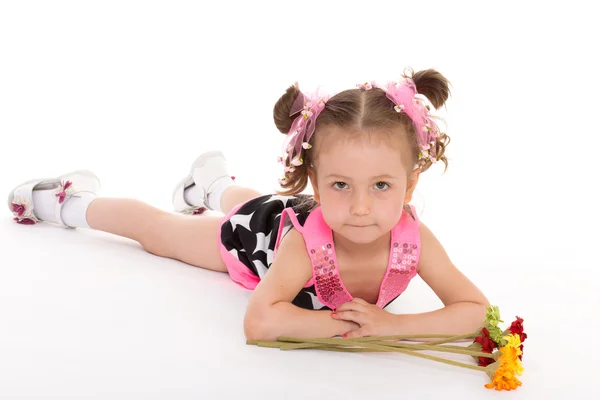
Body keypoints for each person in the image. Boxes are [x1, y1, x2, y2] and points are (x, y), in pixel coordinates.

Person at [7, 68, 490, 341]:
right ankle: (66, 202)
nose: (361, 207)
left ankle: (212, 184)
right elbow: (261, 322)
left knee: (262, 201)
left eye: (381, 186)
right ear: (318, 187)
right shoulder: (308, 249)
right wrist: (352, 328)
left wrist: (392, 327)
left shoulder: (414, 241)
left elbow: (474, 310)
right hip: (257, 241)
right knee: (160, 231)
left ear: (409, 187)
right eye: (341, 185)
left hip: (284, 213)